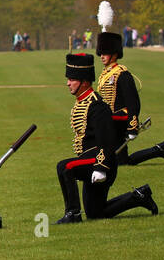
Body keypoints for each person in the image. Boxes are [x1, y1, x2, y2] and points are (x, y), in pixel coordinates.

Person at [55, 53, 157, 223]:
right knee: (96, 213)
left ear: (84, 81)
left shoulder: (97, 106)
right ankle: (138, 197)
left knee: (65, 167)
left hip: (101, 161)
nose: (68, 83)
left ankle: (72, 214)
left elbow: (106, 139)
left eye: (72, 79)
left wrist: (100, 167)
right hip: (91, 160)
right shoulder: (82, 102)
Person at [96, 31, 164, 165]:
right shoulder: (104, 75)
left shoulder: (123, 74)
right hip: (110, 121)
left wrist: (132, 126)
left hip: (120, 121)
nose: (102, 56)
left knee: (119, 161)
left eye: (105, 53)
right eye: (101, 53)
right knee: (120, 161)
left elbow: (133, 102)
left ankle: (158, 150)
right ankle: (158, 150)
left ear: (114, 54)